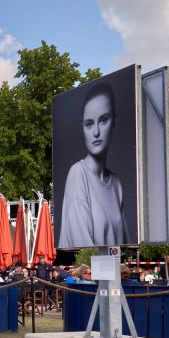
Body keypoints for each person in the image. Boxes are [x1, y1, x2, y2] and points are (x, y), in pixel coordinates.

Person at [59, 82, 127, 248]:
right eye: (89, 123)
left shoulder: (116, 184)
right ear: (83, 127)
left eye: (103, 120)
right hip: (94, 271)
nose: (96, 132)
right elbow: (81, 244)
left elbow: (123, 243)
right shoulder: (78, 173)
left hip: (109, 271)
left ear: (113, 122)